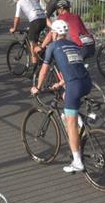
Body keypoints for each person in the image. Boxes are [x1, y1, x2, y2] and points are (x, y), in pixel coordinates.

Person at [31, 19, 93, 174]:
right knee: (67, 97)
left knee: (70, 124)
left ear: (54, 33)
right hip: (86, 82)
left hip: (75, 85)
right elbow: (74, 67)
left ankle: (77, 162)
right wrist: (60, 83)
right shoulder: (73, 45)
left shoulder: (52, 47)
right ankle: (80, 121)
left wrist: (37, 87)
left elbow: (44, 71)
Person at [9, 0, 47, 67]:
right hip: (44, 19)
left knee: (32, 45)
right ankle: (42, 52)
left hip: (35, 20)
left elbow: (17, 18)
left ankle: (35, 68)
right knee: (36, 38)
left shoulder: (20, 2)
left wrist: (14, 28)